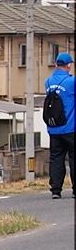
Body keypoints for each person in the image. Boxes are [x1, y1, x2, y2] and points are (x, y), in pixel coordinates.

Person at [44, 52, 75, 199]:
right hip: (70, 127)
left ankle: (56, 190)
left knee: (56, 158)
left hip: (54, 128)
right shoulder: (72, 82)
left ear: (56, 64)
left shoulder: (48, 82)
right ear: (69, 65)